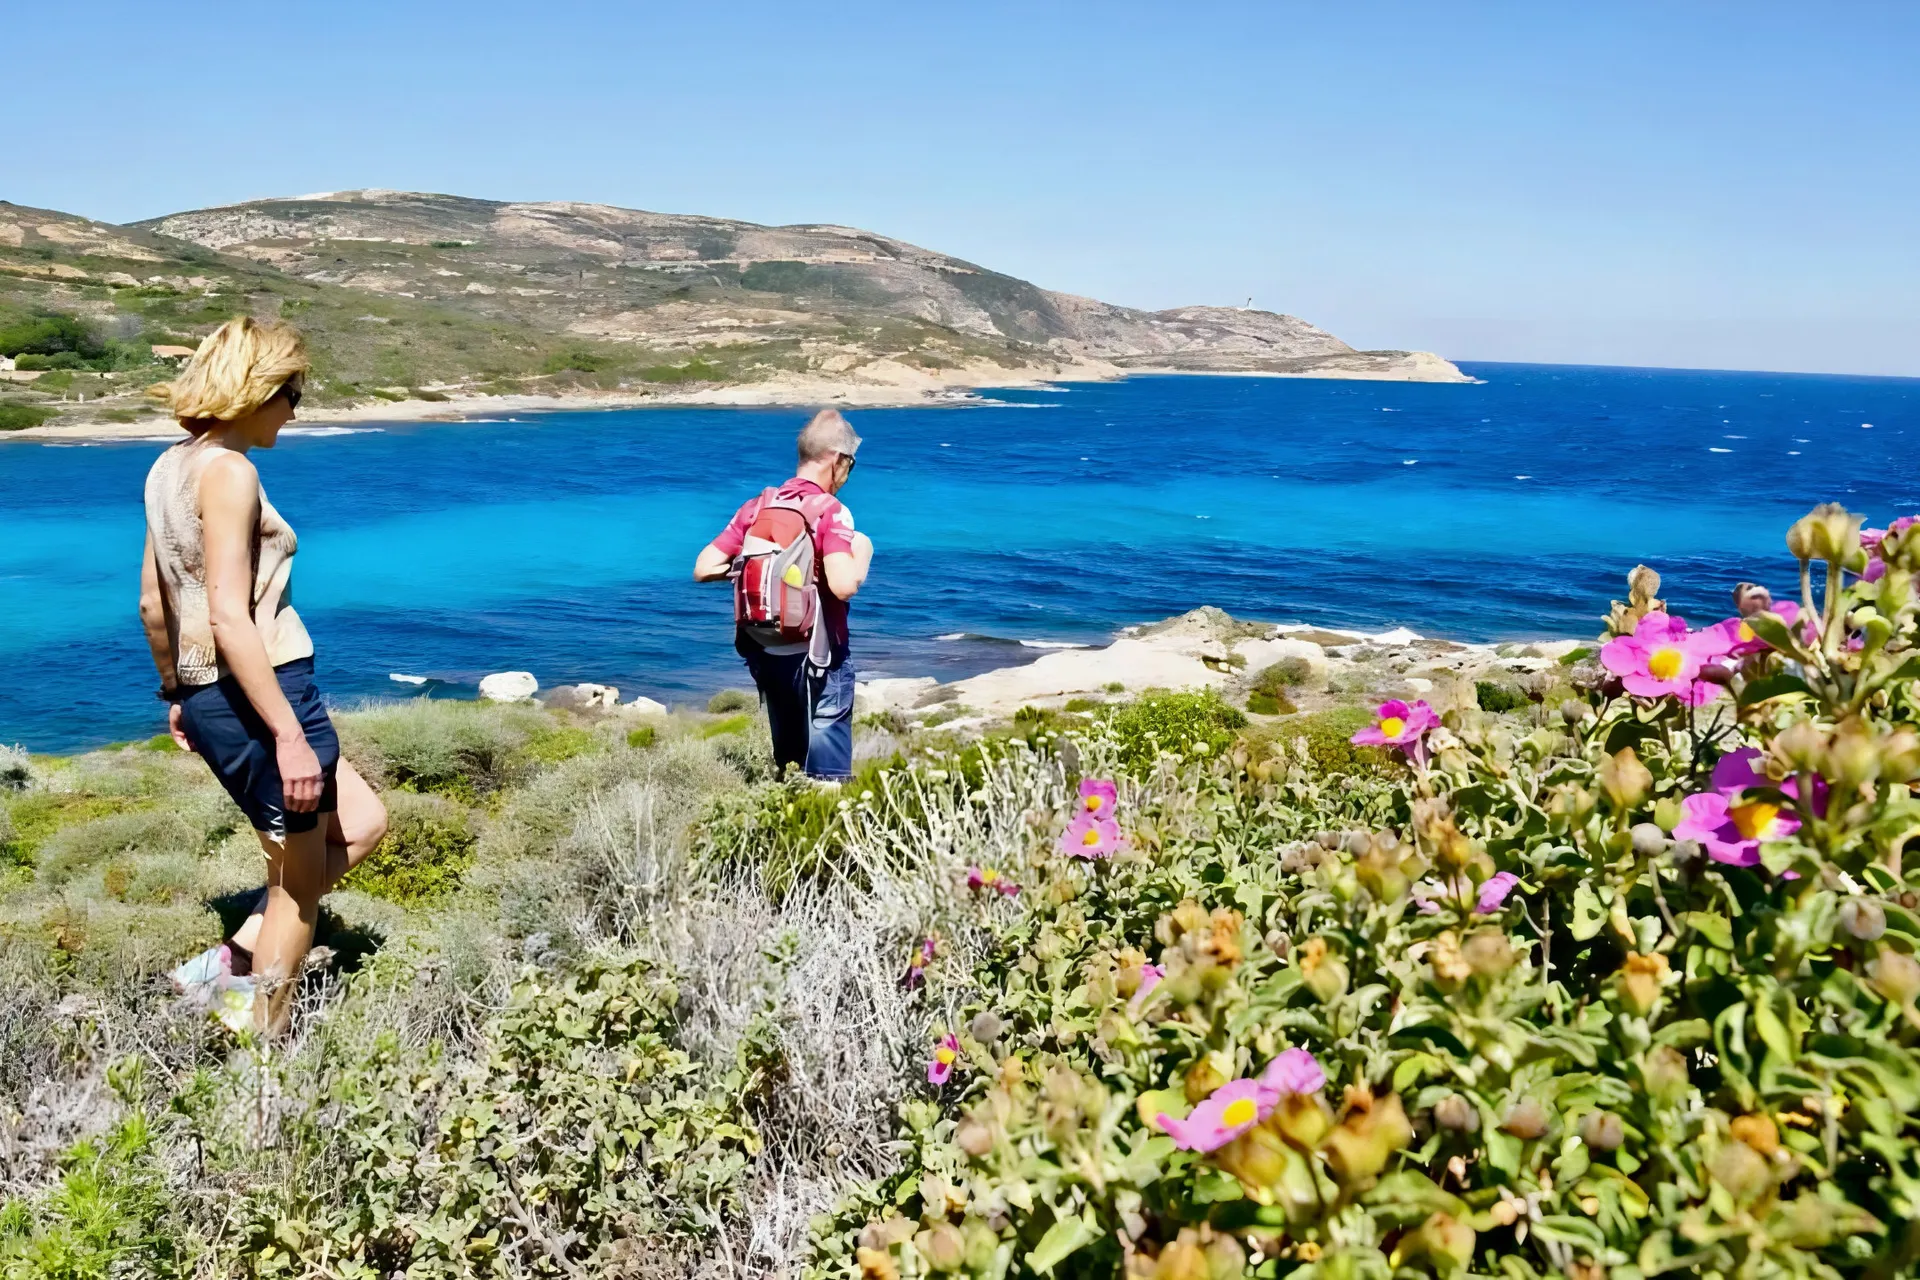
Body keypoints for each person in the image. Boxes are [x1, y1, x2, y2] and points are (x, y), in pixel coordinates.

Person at [140, 317, 387, 1035]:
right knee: (298, 892)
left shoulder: (168, 467)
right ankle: (264, 1053)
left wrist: (176, 694)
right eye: (290, 393)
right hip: (264, 693)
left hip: (210, 692)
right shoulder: (231, 471)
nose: (295, 410)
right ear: (256, 391)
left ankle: (225, 966)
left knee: (365, 823)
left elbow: (155, 601)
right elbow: (227, 612)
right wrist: (287, 734)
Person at [693, 409, 873, 780]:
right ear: (837, 460)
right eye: (850, 465)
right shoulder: (831, 512)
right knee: (828, 780)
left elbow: (703, 567)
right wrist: (864, 552)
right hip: (820, 659)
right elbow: (842, 586)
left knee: (789, 765)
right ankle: (827, 831)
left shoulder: (758, 506)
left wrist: (757, 569)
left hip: (767, 654)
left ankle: (784, 826)